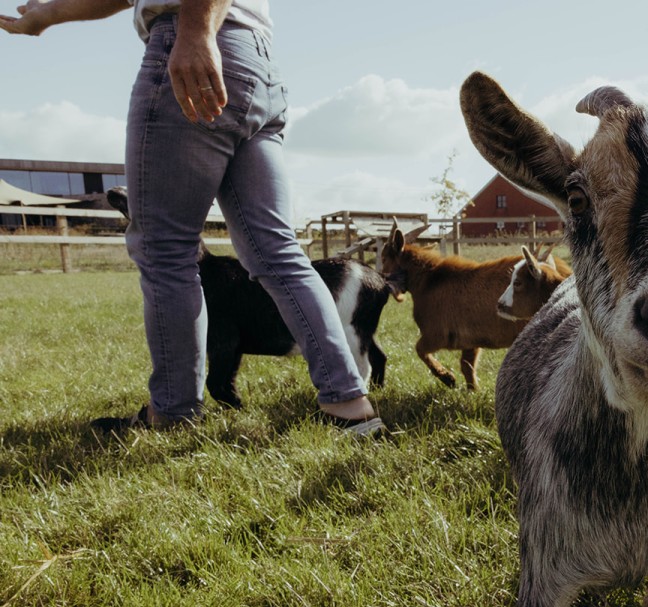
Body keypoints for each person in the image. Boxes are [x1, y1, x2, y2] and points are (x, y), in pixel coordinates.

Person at [1, 0, 386, 435]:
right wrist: (47, 15)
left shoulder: (193, 32)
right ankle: (347, 403)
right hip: (256, 61)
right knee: (278, 253)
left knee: (165, 250)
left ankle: (173, 412)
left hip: (193, 40)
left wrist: (196, 31)